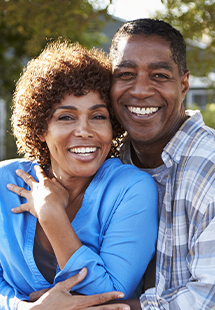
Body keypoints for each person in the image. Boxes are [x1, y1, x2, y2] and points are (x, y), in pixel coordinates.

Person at [1, 40, 158, 310]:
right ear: (40, 128)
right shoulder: (6, 182)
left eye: (98, 116)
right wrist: (25, 308)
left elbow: (111, 296)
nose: (85, 131)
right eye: (66, 117)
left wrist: (51, 214)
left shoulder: (131, 189)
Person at [109, 18, 215, 309]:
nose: (141, 90)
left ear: (183, 85)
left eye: (158, 76)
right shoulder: (104, 165)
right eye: (126, 74)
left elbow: (208, 298)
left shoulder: (210, 168)